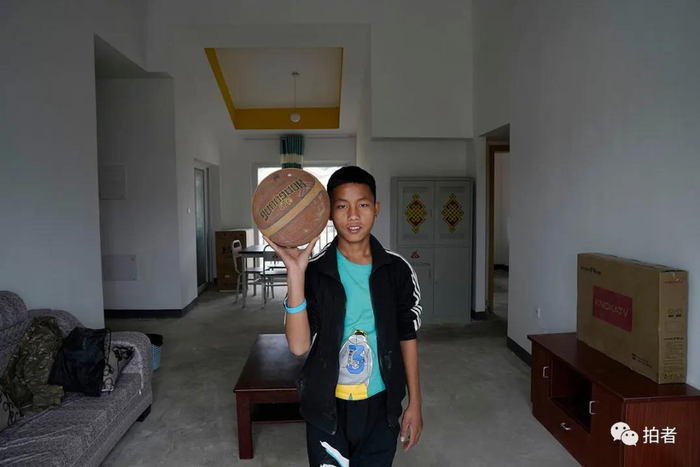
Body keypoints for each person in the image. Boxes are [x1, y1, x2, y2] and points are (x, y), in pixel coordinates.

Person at [264, 166, 423, 467]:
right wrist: (296, 272)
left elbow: (407, 337)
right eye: (341, 206)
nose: (353, 216)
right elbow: (298, 346)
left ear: (376, 209)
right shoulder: (315, 272)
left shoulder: (397, 270)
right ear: (328, 213)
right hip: (326, 409)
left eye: (362, 205)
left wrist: (415, 403)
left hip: (381, 405)